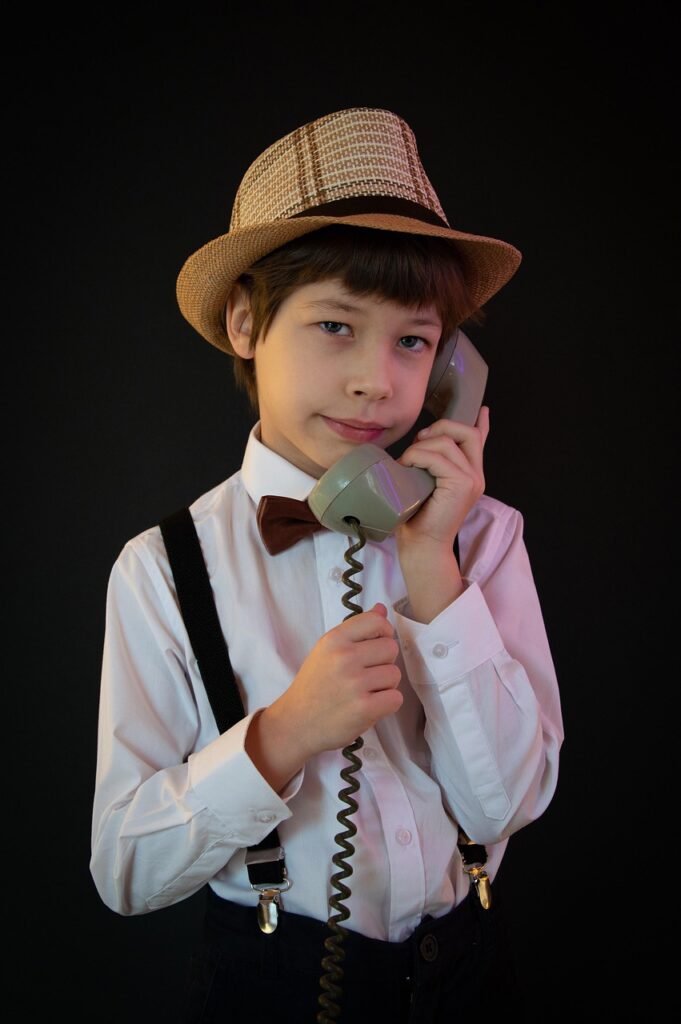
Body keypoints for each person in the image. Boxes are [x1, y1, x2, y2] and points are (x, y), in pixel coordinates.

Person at [90, 107, 563, 1022]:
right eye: (335, 327)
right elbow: (125, 867)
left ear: (454, 366)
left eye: (413, 341)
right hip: (266, 988)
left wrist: (431, 563)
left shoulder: (485, 537)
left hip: (464, 978)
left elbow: (508, 803)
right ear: (244, 323)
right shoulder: (161, 569)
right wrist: (282, 736)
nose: (376, 382)